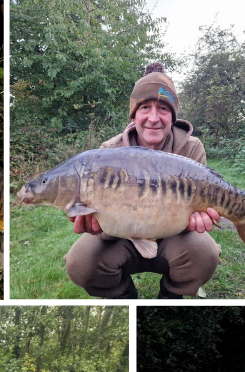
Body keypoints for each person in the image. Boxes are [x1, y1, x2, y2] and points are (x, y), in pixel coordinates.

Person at [63, 63, 222, 299]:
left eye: (163, 109)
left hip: (174, 238)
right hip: (121, 239)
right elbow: (99, 217)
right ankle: (124, 298)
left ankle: (170, 297)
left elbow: (200, 207)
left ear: (173, 115)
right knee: (80, 262)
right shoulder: (109, 151)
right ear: (134, 114)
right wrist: (100, 226)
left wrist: (198, 218)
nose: (154, 118)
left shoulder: (191, 148)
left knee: (205, 252)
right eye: (145, 107)